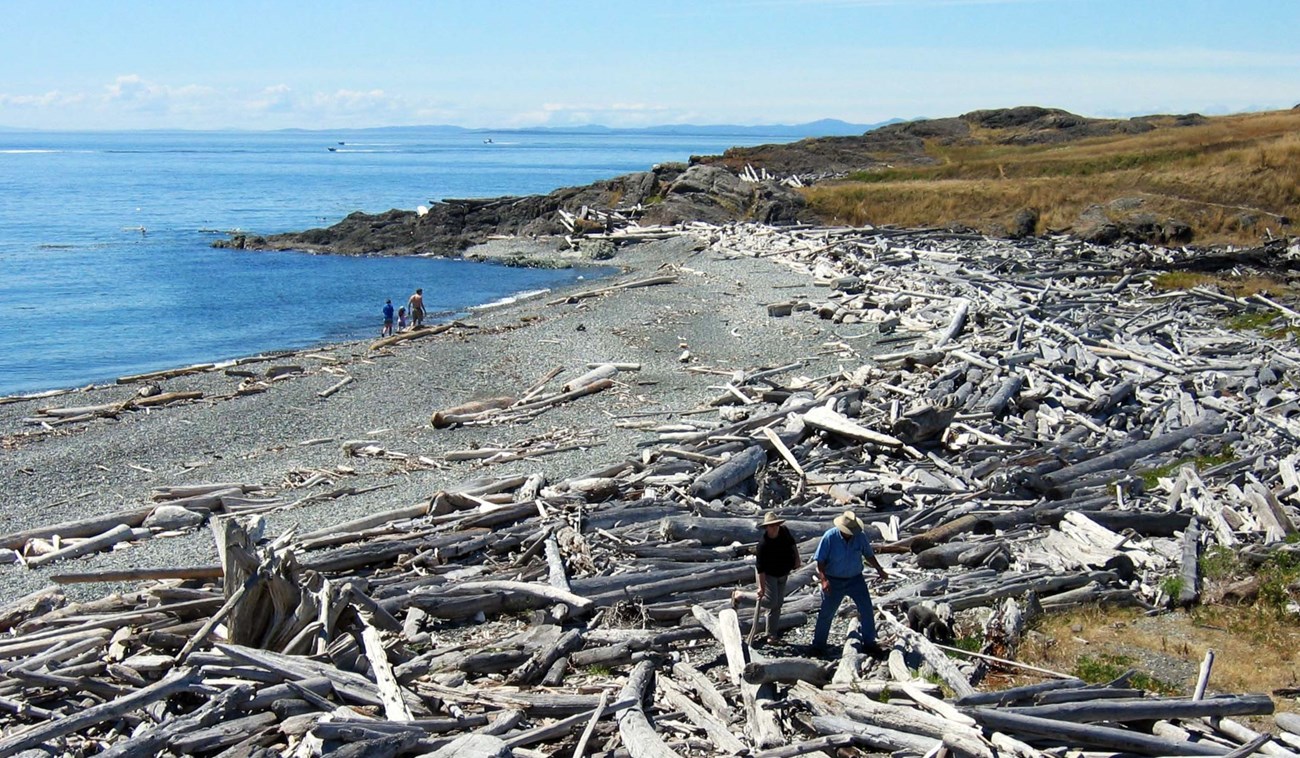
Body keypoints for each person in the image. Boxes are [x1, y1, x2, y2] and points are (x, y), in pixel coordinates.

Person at [811, 510, 889, 656]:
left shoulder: (860, 537)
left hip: (855, 579)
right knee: (827, 612)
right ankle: (818, 645)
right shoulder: (830, 537)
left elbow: (868, 554)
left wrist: (880, 569)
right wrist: (824, 580)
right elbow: (820, 560)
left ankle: (869, 642)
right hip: (833, 579)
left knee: (866, 609)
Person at [754, 511, 801, 645]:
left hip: (783, 572)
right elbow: (760, 569)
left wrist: (797, 559)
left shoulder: (784, 531)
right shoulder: (763, 545)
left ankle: (771, 635)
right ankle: (741, 596)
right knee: (770, 602)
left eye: (776, 525)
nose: (774, 528)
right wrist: (761, 588)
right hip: (769, 575)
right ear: (766, 528)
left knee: (778, 604)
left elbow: (792, 544)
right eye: (771, 526)